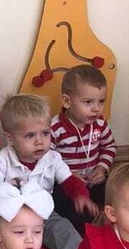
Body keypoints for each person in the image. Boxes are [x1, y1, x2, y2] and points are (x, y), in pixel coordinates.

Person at [0, 94, 96, 249]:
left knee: (63, 228)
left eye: (45, 133)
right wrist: (3, 212)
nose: (39, 141)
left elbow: (70, 182)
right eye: (29, 136)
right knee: (4, 243)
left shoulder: (53, 157)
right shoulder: (1, 160)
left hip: (43, 212)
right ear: (10, 138)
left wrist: (81, 195)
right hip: (11, 216)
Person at [50, 64, 117, 232]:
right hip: (68, 184)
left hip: (95, 180)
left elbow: (109, 146)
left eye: (101, 101)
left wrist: (101, 169)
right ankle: (88, 230)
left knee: (118, 191)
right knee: (73, 209)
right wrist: (68, 175)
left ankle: (115, 222)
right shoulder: (55, 128)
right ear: (67, 101)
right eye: (88, 102)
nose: (96, 108)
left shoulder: (100, 124)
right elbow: (47, 160)